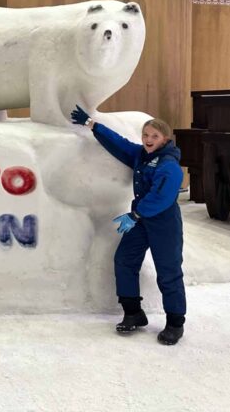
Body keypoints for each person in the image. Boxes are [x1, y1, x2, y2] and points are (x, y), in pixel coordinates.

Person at [70, 105, 186, 345]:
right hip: (141, 220)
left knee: (168, 272)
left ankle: (175, 322)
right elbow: (119, 144)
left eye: (154, 136)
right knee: (124, 260)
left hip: (163, 222)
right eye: (145, 135)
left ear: (165, 139)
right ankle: (133, 312)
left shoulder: (168, 164)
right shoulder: (140, 154)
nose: (148, 140)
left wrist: (136, 215)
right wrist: (92, 124)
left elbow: (162, 196)